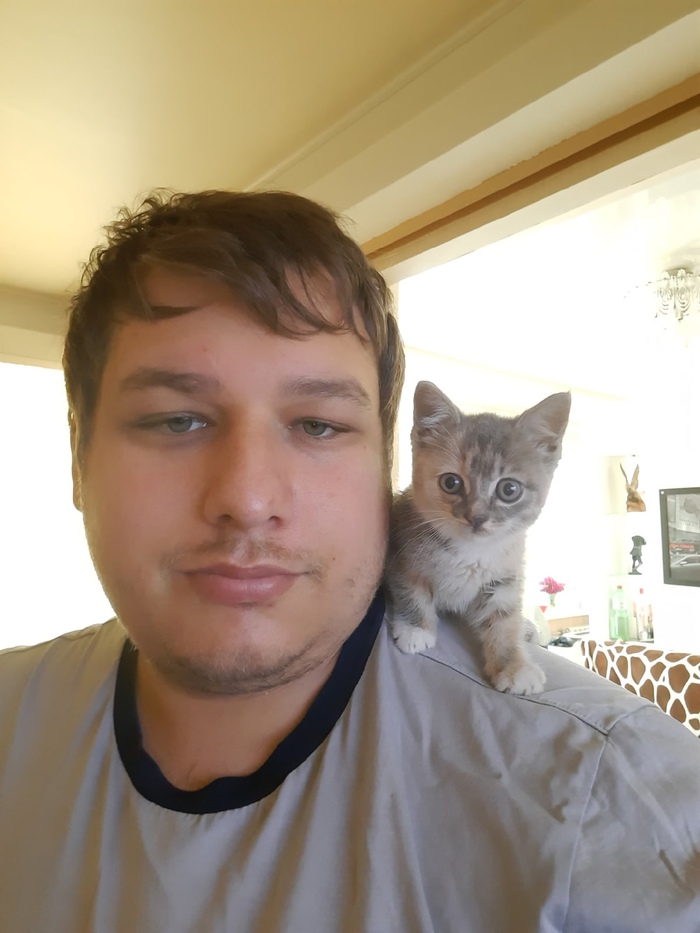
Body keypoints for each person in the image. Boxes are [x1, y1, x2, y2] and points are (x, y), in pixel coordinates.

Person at [1, 190, 699, 933]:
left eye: (317, 424)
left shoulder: (613, 797)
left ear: (384, 460)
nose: (248, 499)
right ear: (77, 459)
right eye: (178, 419)